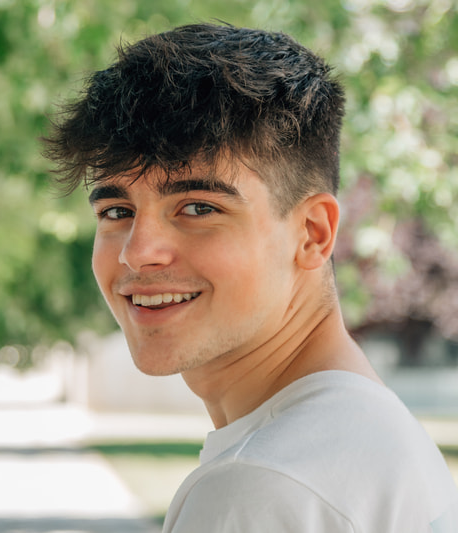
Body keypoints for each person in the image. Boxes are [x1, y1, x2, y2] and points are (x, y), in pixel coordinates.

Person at [43, 23, 458, 532]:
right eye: (115, 210)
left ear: (312, 233)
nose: (137, 252)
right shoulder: (373, 434)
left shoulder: (263, 486)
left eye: (197, 207)